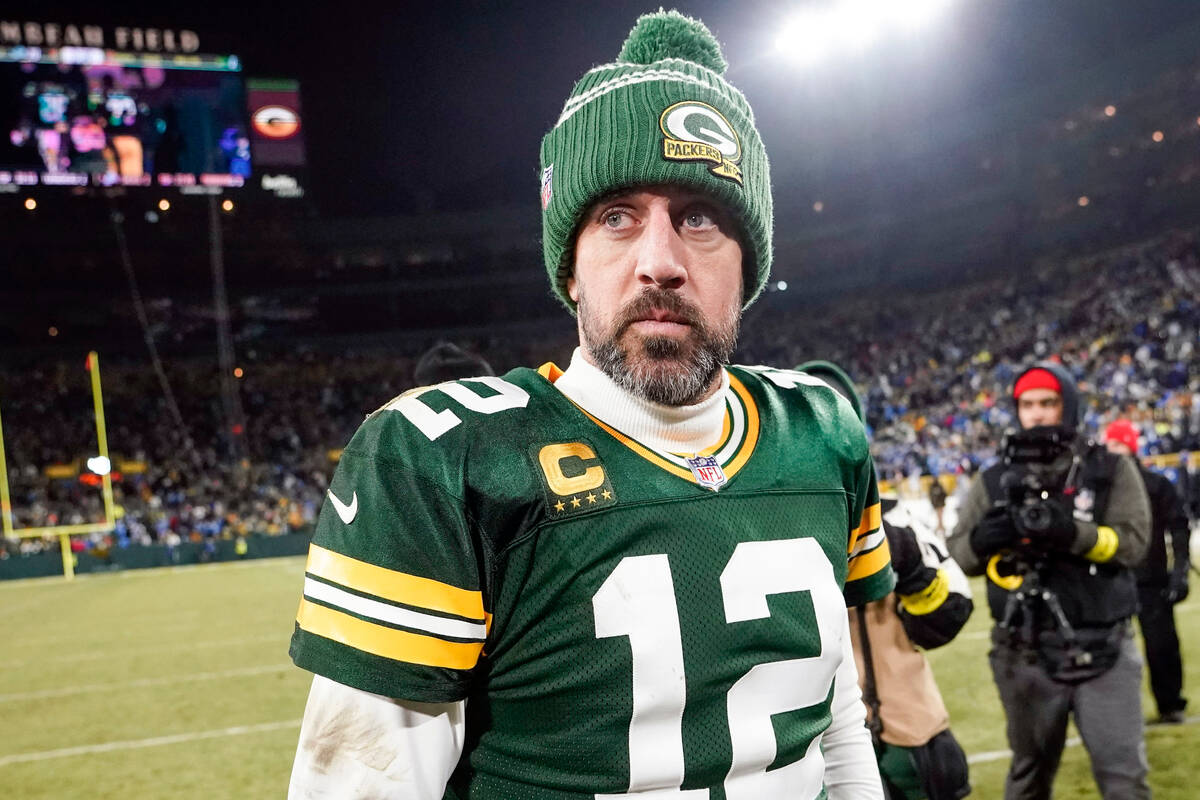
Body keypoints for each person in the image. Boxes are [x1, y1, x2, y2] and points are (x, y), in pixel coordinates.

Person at [287, 11, 896, 799]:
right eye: (616, 218)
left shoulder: (821, 430)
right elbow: (361, 781)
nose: (660, 262)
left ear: (748, 265)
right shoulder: (440, 457)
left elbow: (834, 714)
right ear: (569, 266)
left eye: (700, 217)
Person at [947, 362, 1152, 800]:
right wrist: (984, 540)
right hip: (1023, 653)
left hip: (1104, 647)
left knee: (1123, 780)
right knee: (1028, 777)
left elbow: (1135, 545)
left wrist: (1072, 532)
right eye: (1027, 404)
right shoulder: (993, 479)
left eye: (1048, 403)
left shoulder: (1110, 469)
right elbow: (958, 555)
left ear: (1068, 406)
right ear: (1016, 410)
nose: (1037, 414)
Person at [801, 360, 972, 800]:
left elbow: (948, 617)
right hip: (809, 744)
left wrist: (913, 572)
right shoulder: (766, 523)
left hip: (904, 733)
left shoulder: (898, 518)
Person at [1104, 418, 1191, 724]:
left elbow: (1179, 529)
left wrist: (1179, 571)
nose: (1109, 450)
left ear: (1128, 445)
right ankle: (1114, 717)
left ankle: (1170, 704)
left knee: (1162, 646)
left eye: (1115, 443)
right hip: (1112, 579)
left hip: (1150, 578)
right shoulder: (1104, 487)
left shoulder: (1155, 484)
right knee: (1108, 653)